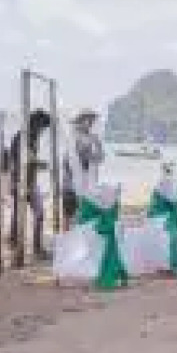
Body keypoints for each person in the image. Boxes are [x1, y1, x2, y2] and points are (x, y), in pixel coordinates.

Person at [6, 109, 53, 259]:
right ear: (36, 123)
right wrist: (40, 164)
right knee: (32, 214)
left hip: (29, 181)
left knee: (31, 214)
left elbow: (28, 160)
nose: (43, 131)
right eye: (42, 127)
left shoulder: (32, 137)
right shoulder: (22, 137)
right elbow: (23, 159)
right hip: (19, 181)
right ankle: (23, 247)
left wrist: (37, 164)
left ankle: (28, 246)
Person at [62, 110, 105, 226]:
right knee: (72, 215)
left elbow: (100, 158)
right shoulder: (74, 136)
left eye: (93, 121)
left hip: (82, 184)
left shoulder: (91, 138)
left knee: (79, 214)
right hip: (71, 184)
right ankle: (69, 238)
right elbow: (80, 156)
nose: (91, 123)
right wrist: (93, 149)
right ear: (81, 121)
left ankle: (74, 237)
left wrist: (97, 144)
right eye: (89, 120)